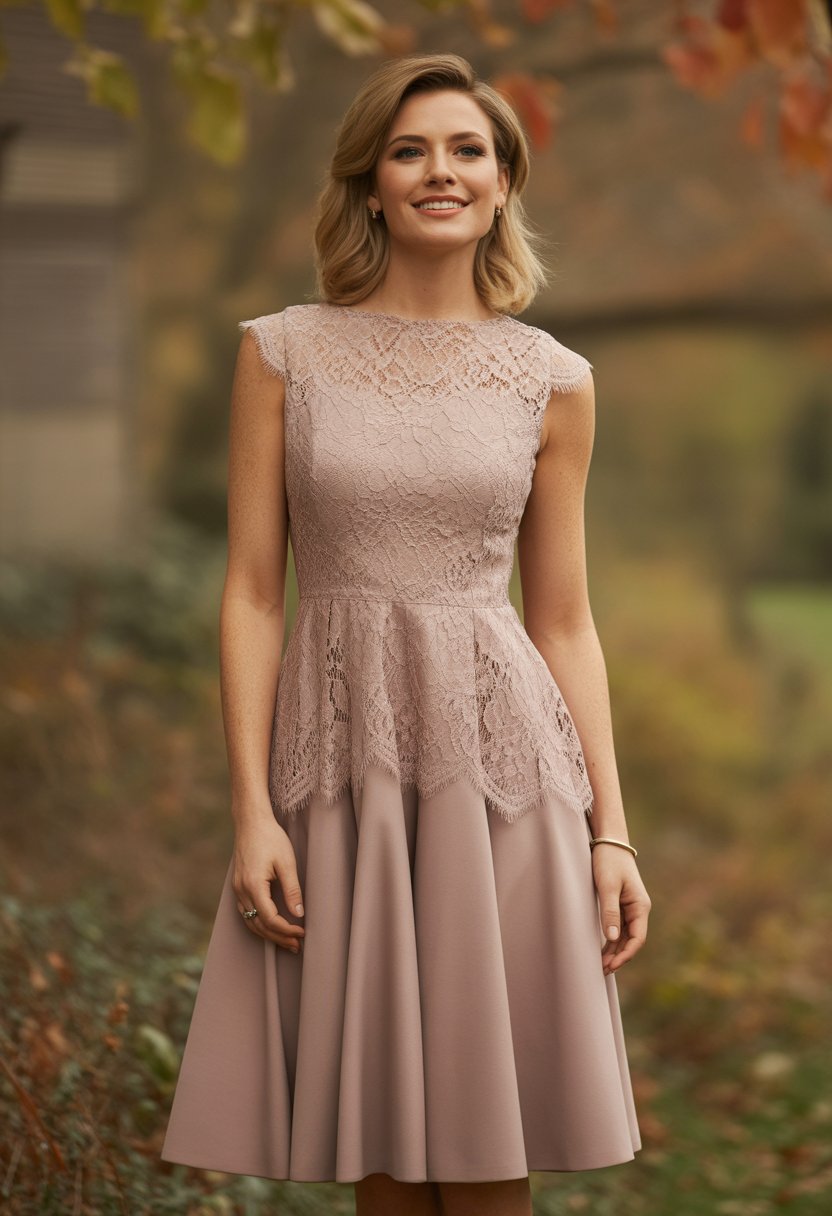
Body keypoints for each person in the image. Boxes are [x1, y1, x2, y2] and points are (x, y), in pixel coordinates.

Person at [160, 51, 651, 1216]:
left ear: (501, 181)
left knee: (485, 1149)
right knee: (379, 1143)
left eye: (468, 149)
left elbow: (566, 621)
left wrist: (613, 835)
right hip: (339, 770)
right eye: (410, 148)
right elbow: (251, 594)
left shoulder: (554, 379)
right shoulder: (281, 353)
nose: (441, 170)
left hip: (505, 778)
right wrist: (251, 811)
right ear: (369, 182)